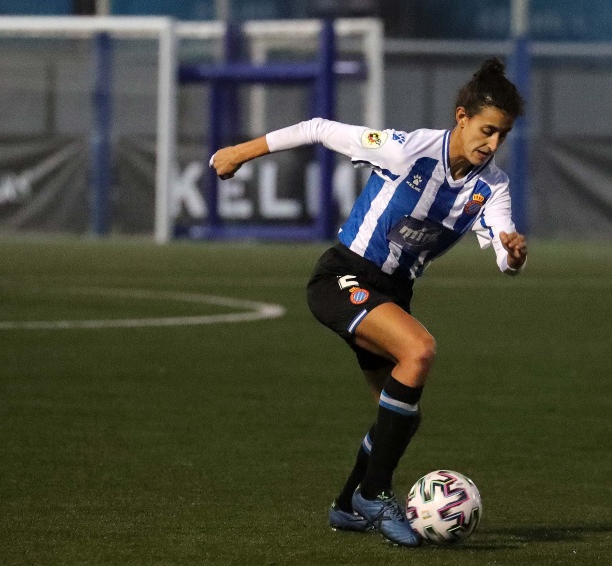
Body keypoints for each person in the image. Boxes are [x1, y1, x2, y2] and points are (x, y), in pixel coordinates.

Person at [210, 57, 528, 548]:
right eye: (487, 130)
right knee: (418, 350)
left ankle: (346, 505)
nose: (493, 144)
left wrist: (513, 253)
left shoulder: (493, 187)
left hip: (394, 294)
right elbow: (318, 128)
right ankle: (374, 493)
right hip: (344, 275)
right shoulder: (406, 149)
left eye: (502, 136)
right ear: (461, 117)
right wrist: (238, 152)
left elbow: (505, 259)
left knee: (402, 414)